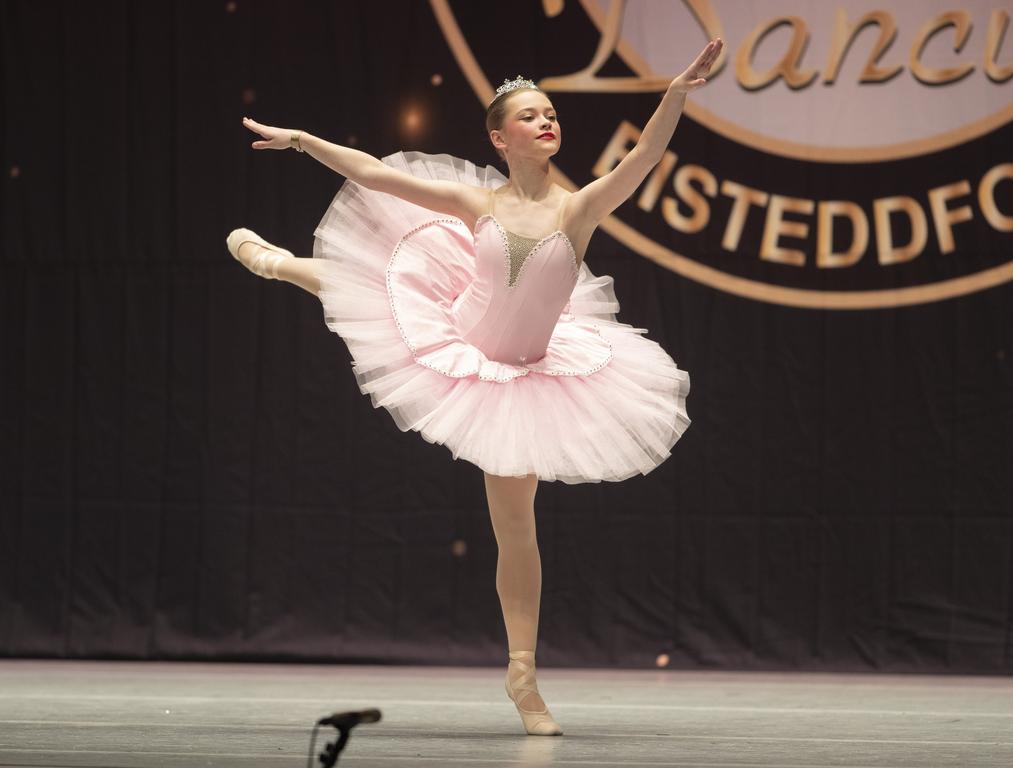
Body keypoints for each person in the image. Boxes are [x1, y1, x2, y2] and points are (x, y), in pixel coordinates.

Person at [226, 37, 723, 736]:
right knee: (378, 290)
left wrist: (674, 96)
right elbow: (373, 174)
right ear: (499, 136)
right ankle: (282, 265)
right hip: (458, 341)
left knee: (516, 529)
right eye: (530, 114)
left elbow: (642, 158)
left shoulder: (578, 208)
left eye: (551, 112)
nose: (547, 120)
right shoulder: (474, 200)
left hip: (525, 377)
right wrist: (304, 140)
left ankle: (522, 674)